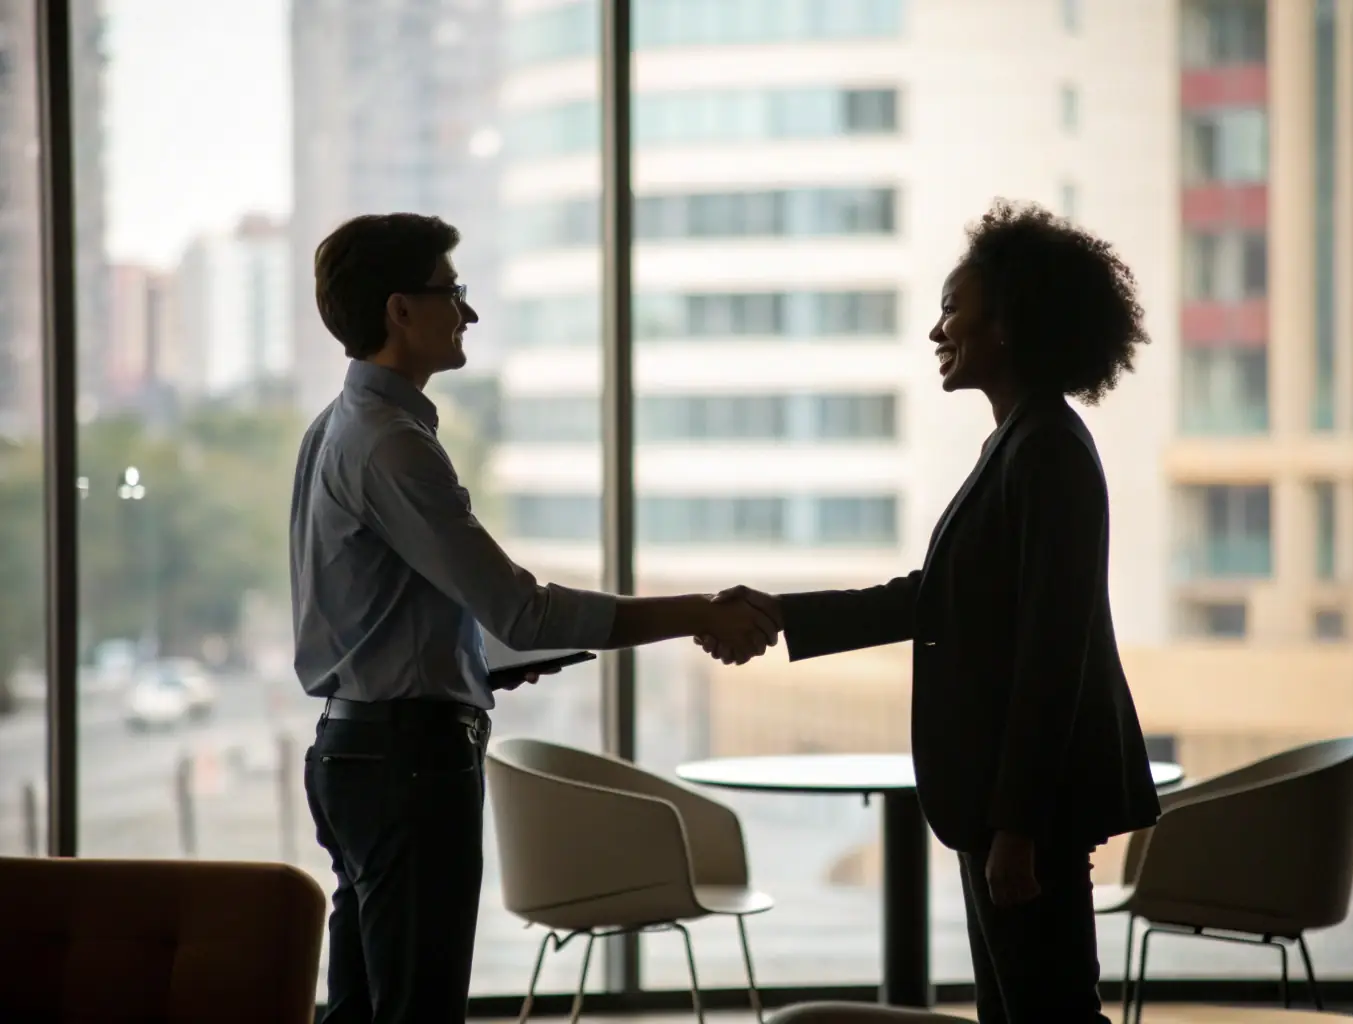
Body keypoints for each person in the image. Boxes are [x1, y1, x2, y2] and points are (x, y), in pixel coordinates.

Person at [290, 212, 778, 1024]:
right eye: (453, 293)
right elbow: (522, 608)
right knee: (418, 1007)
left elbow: (375, 613)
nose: (468, 314)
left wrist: (485, 660)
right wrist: (700, 609)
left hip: (358, 752)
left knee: (365, 1008)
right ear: (400, 311)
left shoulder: (334, 429)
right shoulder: (391, 444)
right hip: (407, 762)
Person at [698, 200, 1162, 1022]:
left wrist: (1015, 828)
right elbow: (937, 597)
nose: (935, 329)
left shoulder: (1045, 450)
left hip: (1029, 806)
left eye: (952, 306)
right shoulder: (1019, 443)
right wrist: (780, 614)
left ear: (1009, 323)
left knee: (1046, 1013)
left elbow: (1051, 653)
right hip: (1002, 800)